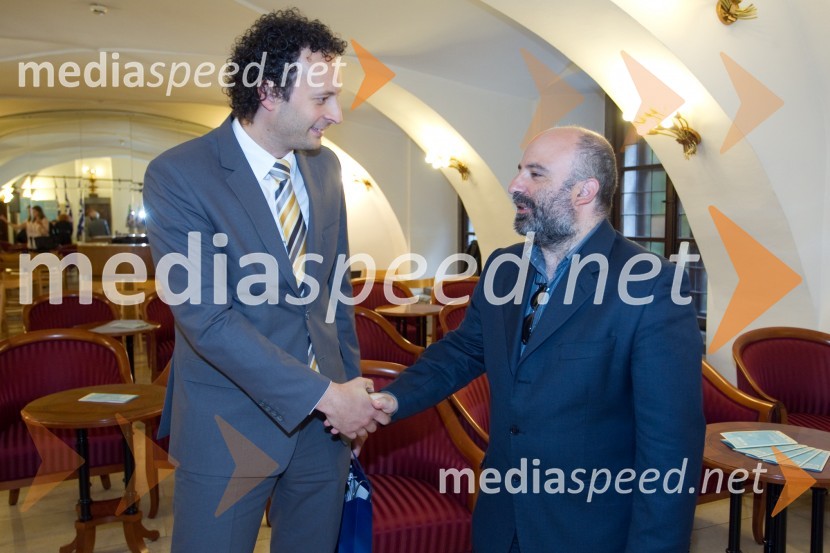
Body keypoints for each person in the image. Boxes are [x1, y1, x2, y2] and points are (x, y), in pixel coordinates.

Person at [372, 127, 705, 553]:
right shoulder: (503, 268)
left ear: (584, 191)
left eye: (536, 174)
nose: (515, 185)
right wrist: (393, 399)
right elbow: (462, 351)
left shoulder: (652, 284)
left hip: (588, 531)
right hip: (500, 521)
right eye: (519, 171)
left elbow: (670, 445)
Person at [143, 9, 388, 553]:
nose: (336, 114)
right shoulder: (179, 174)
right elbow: (207, 320)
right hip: (228, 423)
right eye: (322, 98)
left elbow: (335, 295)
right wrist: (326, 396)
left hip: (325, 431)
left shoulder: (325, 168)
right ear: (270, 92)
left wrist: (349, 398)